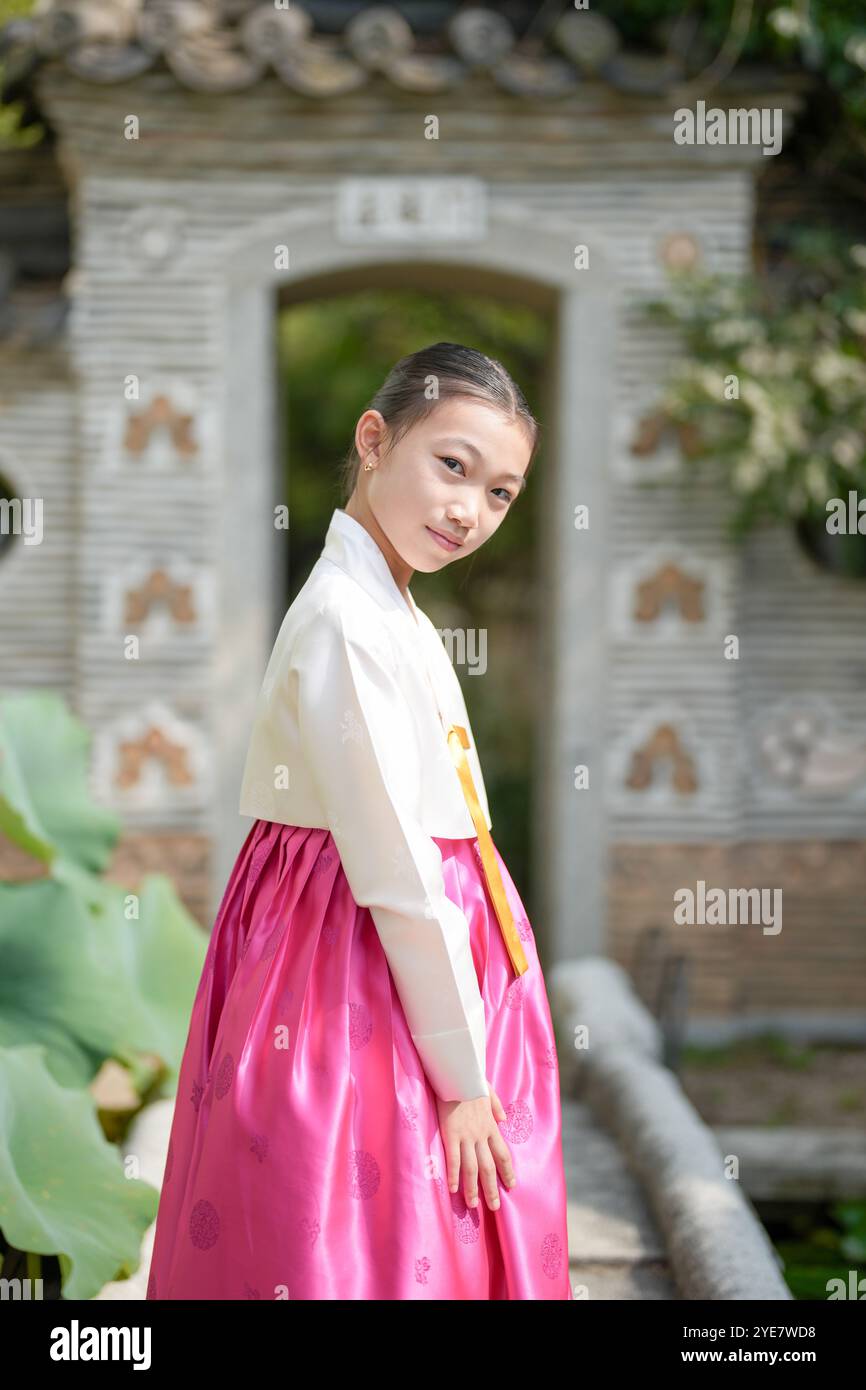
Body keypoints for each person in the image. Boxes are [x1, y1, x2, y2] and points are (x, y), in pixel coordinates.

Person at [146, 341, 573, 1300]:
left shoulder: (394, 610)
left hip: (400, 961)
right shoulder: (348, 618)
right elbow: (391, 866)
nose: (470, 509)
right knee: (377, 1223)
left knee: (405, 1226)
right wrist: (462, 1081)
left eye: (501, 492)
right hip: (355, 962)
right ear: (375, 439)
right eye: (452, 465)